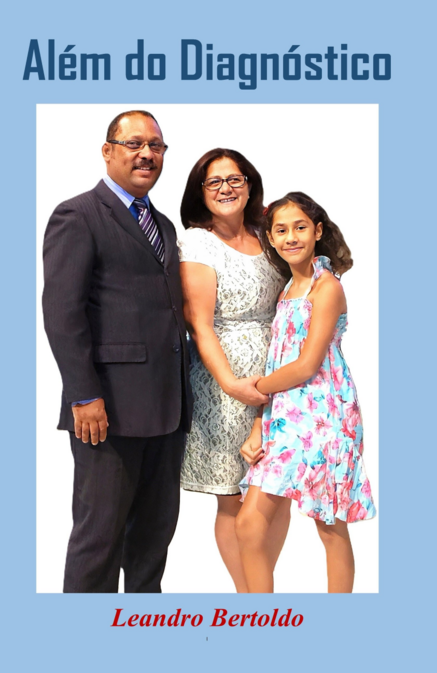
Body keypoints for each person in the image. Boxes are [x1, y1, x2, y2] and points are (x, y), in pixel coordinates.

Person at [42, 110, 192, 593]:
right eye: (134, 144)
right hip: (107, 411)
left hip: (167, 410)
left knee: (152, 541)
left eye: (156, 146)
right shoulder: (78, 215)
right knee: (99, 541)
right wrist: (83, 395)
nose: (147, 154)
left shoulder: (163, 225)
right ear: (107, 151)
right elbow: (62, 314)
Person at [237, 192, 376, 593]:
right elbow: (276, 360)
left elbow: (306, 364)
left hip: (325, 414)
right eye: (281, 230)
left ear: (317, 231)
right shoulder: (287, 289)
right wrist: (259, 424)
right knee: (249, 525)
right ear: (271, 238)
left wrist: (253, 389)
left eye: (300, 227)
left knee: (329, 524)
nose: (291, 237)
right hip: (285, 416)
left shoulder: (326, 287)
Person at [177, 148, 286, 593]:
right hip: (225, 384)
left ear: (249, 184)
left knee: (277, 490)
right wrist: (230, 384)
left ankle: (263, 589)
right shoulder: (197, 242)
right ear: (201, 192)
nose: (226, 188)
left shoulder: (268, 233)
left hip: (281, 376)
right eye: (214, 181)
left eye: (235, 179)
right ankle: (252, 600)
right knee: (233, 495)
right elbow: (199, 325)